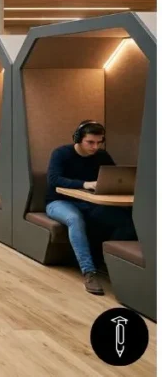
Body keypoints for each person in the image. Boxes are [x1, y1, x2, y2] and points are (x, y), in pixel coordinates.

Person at [45, 121, 137, 296]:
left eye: (99, 142)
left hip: (89, 202)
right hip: (58, 202)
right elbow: (54, 179)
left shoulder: (102, 156)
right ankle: (89, 271)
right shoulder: (61, 153)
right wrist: (85, 184)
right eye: (90, 142)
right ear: (78, 139)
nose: (95, 147)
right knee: (75, 220)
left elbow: (115, 176)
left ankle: (107, 261)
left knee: (126, 221)